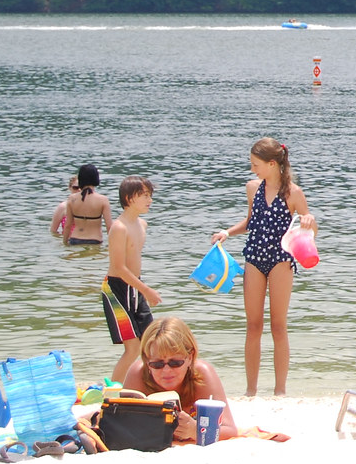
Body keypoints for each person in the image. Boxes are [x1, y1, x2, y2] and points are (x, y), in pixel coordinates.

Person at [212, 137, 317, 397]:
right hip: (254, 258)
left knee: (278, 326)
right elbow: (250, 221)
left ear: (272, 164)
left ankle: (280, 390)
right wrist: (227, 232)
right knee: (253, 325)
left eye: (256, 164)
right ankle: (250, 390)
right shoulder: (252, 188)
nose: (252, 169)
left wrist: (309, 221)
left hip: (281, 259)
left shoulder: (294, 193)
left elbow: (310, 228)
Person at [122, 316, 237, 443]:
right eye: (157, 364)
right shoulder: (139, 374)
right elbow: (121, 427)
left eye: (175, 362)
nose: (166, 370)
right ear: (147, 361)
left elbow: (230, 430)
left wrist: (195, 430)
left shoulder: (201, 375)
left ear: (190, 357)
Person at [102, 175, 161, 383]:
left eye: (150, 195)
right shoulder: (119, 227)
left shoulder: (142, 224)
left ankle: (143, 385)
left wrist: (142, 289)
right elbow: (119, 267)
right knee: (133, 347)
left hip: (135, 287)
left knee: (151, 341)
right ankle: (113, 394)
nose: (150, 200)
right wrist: (147, 290)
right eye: (144, 195)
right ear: (129, 198)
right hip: (117, 290)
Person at [64, 163, 113, 245]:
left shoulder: (71, 199)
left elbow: (68, 225)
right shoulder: (103, 200)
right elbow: (109, 227)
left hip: (75, 239)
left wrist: (65, 243)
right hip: (94, 240)